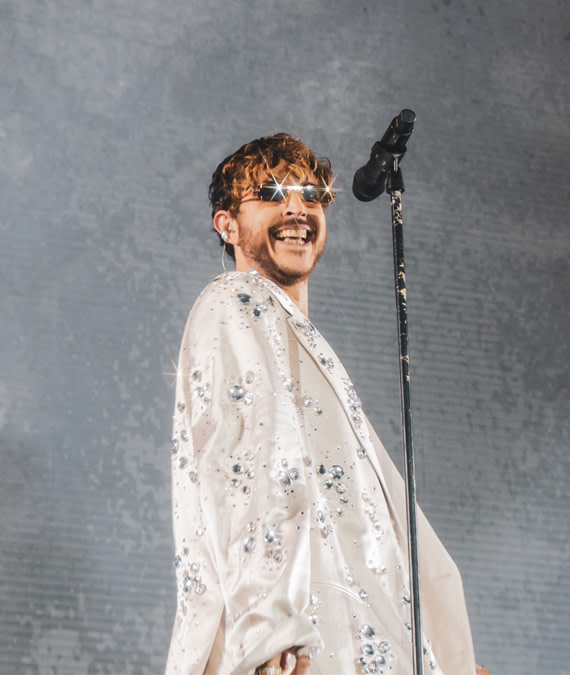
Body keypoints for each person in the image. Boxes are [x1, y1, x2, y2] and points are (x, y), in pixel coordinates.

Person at [165, 133, 478, 675]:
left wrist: (438, 657)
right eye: (270, 192)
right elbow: (246, 467)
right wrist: (271, 631)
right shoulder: (236, 301)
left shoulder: (299, 341)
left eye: (311, 192)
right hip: (298, 651)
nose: (296, 207)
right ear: (227, 224)